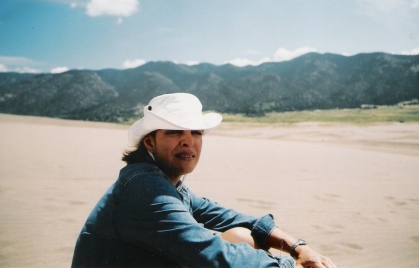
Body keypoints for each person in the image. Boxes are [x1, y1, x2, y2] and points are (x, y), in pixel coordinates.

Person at [72, 93, 337, 268]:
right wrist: (292, 266)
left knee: (241, 236)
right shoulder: (145, 187)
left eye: (196, 132)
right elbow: (208, 252)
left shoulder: (170, 185)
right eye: (175, 131)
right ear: (150, 142)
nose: (188, 140)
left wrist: (298, 248)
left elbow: (231, 218)